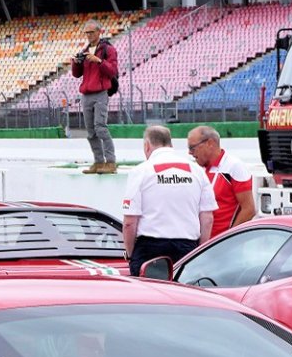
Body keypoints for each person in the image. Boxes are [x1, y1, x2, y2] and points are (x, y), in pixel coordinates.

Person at [121, 125, 216, 276]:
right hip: (188, 246)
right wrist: (198, 254)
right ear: (170, 144)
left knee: (149, 297)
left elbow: (129, 222)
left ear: (147, 146)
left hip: (150, 249)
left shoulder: (140, 171)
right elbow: (207, 218)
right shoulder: (197, 171)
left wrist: (131, 254)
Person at [186, 125, 256, 239]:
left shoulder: (234, 167)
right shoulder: (198, 168)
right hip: (201, 243)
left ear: (210, 143)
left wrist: (227, 239)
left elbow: (249, 210)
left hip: (222, 245)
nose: (189, 153)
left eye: (192, 148)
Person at [69, 19, 119, 174]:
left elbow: (112, 71)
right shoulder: (85, 50)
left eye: (91, 32)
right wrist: (76, 63)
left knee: (100, 128)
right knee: (91, 131)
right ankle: (98, 162)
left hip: (100, 93)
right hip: (86, 94)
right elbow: (77, 74)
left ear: (99, 32)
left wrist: (98, 61)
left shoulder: (108, 50)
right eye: (87, 33)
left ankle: (110, 162)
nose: (89, 35)